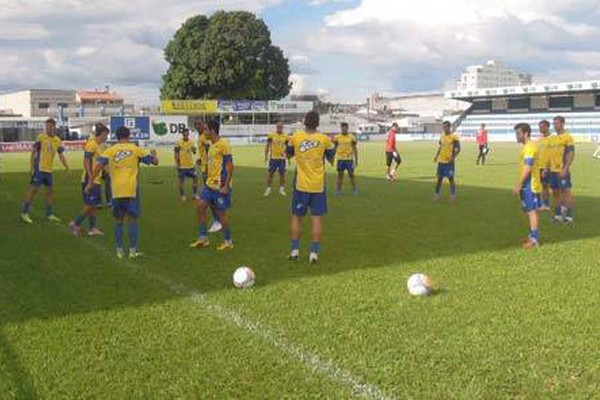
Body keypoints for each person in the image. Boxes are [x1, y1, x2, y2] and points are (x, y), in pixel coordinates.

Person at [86, 126, 159, 259]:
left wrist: (91, 182)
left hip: (116, 190)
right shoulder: (136, 149)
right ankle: (132, 251)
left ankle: (119, 250)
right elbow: (155, 162)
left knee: (119, 221)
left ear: (117, 136)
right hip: (131, 190)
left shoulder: (110, 151)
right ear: (129, 135)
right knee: (133, 220)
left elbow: (98, 166)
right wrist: (154, 154)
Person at [287, 111, 335, 264]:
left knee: (296, 217)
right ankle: (313, 254)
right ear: (318, 123)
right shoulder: (324, 139)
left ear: (304, 122)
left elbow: (288, 154)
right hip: (318, 186)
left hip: (300, 185)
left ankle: (295, 251)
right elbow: (331, 157)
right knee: (317, 220)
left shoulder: (296, 137)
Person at [190, 120, 235, 251]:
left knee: (222, 215)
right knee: (200, 207)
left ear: (212, 130)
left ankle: (228, 241)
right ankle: (203, 238)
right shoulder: (212, 144)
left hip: (220, 186)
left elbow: (230, 166)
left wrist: (226, 186)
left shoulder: (224, 144)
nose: (204, 132)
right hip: (209, 185)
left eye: (206, 130)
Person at [20, 118, 70, 224]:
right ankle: (24, 212)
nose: (48, 128)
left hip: (49, 171)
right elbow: (33, 152)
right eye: (47, 126)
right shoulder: (41, 137)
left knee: (50, 192)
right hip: (39, 169)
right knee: (34, 190)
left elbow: (61, 155)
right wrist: (31, 167)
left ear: (54, 127)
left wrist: (67, 167)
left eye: (50, 126)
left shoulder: (57, 140)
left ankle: (49, 214)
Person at [68, 123, 110, 237]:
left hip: (96, 179)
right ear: (100, 134)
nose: (106, 137)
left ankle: (92, 228)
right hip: (90, 179)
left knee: (94, 205)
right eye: (105, 135)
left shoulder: (99, 146)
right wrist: (90, 179)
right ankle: (75, 223)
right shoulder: (91, 144)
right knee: (90, 205)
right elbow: (86, 161)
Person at [513, 123, 542, 249]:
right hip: (527, 184)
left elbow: (528, 167)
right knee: (529, 210)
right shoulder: (527, 146)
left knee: (532, 211)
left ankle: (535, 239)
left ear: (525, 133)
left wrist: (519, 184)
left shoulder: (530, 147)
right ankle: (532, 235)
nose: (516, 135)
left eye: (518, 133)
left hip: (531, 184)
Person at [195, 120, 222, 233]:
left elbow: (208, 151)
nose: (197, 126)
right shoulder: (201, 137)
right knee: (208, 198)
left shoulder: (203, 138)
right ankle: (218, 219)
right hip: (205, 168)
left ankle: (218, 220)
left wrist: (206, 166)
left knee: (210, 197)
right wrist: (200, 159)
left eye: (199, 124)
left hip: (208, 170)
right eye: (196, 124)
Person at [549, 116, 575, 224]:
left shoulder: (568, 137)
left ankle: (569, 217)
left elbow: (570, 153)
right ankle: (559, 214)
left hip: (562, 170)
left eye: (557, 123)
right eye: (554, 124)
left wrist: (565, 168)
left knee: (566, 192)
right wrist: (547, 168)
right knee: (556, 193)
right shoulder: (553, 138)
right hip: (552, 170)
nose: (555, 126)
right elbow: (551, 155)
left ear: (563, 124)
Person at [433, 121, 461, 201]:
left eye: (445, 127)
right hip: (441, 161)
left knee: (450, 178)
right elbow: (440, 147)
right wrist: (436, 155)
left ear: (449, 127)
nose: (444, 128)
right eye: (443, 127)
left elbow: (458, 149)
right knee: (439, 178)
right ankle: (436, 194)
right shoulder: (442, 137)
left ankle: (453, 195)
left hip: (449, 161)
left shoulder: (454, 137)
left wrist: (453, 158)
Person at [264, 121, 288, 196]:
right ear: (276, 127)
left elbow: (288, 147)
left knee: (282, 174)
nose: (279, 128)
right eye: (278, 127)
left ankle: (281, 189)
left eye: (280, 127)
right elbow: (267, 146)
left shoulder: (285, 136)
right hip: (273, 158)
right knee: (271, 174)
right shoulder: (271, 135)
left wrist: (287, 156)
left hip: (282, 158)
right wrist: (266, 155)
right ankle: (268, 189)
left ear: (282, 127)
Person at [333, 122, 359, 195]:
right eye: (342, 128)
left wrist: (356, 159)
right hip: (340, 159)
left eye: (345, 128)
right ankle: (338, 190)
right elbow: (335, 148)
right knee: (340, 175)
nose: (343, 129)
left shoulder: (352, 137)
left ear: (347, 128)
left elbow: (355, 149)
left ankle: (355, 190)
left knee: (351, 175)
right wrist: (332, 157)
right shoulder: (337, 138)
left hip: (349, 159)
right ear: (341, 128)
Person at [174, 128, 199, 201]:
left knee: (195, 179)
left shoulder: (191, 142)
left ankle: (195, 194)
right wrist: (177, 164)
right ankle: (182, 196)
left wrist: (194, 149)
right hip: (182, 166)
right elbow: (176, 153)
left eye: (187, 133)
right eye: (184, 133)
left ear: (188, 134)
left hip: (191, 166)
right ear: (182, 134)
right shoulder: (179, 142)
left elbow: (194, 151)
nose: (186, 135)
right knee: (181, 181)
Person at [537, 120, 553, 211]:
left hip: (548, 167)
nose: (540, 129)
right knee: (543, 186)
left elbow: (552, 154)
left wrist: (547, 168)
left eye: (541, 127)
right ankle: (545, 204)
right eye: (539, 127)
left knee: (551, 186)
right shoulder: (540, 140)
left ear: (547, 127)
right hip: (539, 166)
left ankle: (550, 204)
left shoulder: (552, 139)